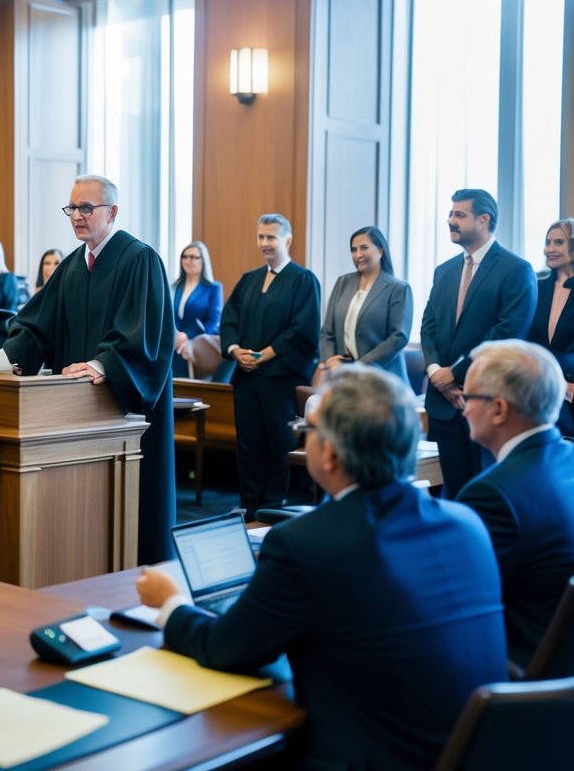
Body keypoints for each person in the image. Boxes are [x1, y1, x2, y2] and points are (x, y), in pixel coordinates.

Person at [136, 365, 507, 770]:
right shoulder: (467, 525)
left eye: (306, 431)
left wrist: (170, 603)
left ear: (328, 453)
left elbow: (226, 649)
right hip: (473, 753)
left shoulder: (305, 543)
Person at [4, 175, 175, 564]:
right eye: (72, 208)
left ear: (112, 212)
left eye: (86, 208)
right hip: (77, 412)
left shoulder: (139, 259)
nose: (77, 216)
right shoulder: (71, 267)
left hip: (124, 412)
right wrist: (1, 360)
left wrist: (103, 364)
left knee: (136, 509)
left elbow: (144, 334)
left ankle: (138, 568)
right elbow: (35, 325)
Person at [456, 339, 574, 675]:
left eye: (469, 398)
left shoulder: (491, 494)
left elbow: (465, 607)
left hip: (521, 677)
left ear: (499, 409)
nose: (463, 409)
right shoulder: (569, 458)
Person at [420, 188, 537, 499]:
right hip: (443, 403)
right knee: (454, 492)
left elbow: (507, 333)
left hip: (487, 400)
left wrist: (456, 373)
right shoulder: (443, 271)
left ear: (483, 220)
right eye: (450, 214)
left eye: (459, 214)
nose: (450, 220)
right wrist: (436, 373)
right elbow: (428, 326)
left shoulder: (516, 270)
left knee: (487, 494)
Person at [220, 214, 321, 515]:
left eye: (271, 238)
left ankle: (273, 505)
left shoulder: (303, 279)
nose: (264, 243)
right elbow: (229, 319)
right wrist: (236, 350)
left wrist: (264, 355)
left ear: (287, 240)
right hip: (247, 379)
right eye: (261, 237)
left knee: (278, 443)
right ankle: (249, 505)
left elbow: (303, 330)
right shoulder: (249, 279)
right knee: (249, 443)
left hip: (279, 379)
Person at [319, 226, 413, 385]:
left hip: (383, 379)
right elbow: (327, 331)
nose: (358, 254)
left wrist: (358, 367)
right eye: (354, 250)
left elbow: (398, 337)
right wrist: (331, 361)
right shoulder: (343, 282)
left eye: (364, 248)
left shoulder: (398, 288)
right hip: (343, 379)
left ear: (381, 251)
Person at [526, 218, 574, 437]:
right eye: (547, 243)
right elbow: (527, 339)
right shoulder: (536, 286)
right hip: (542, 388)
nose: (550, 249)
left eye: (558, 242)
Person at [170, 241, 224, 379]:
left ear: (203, 261)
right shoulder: (175, 287)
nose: (189, 261)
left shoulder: (214, 288)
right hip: (174, 345)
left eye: (194, 257)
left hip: (197, 348)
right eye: (185, 256)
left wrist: (188, 337)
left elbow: (213, 323)